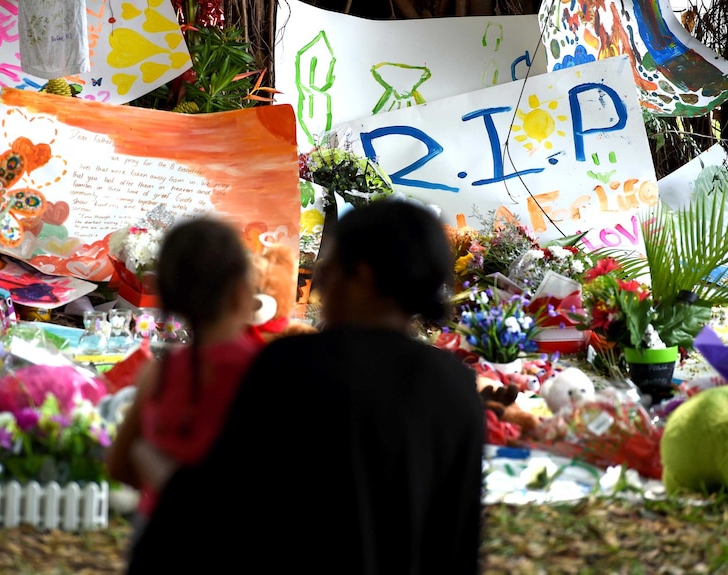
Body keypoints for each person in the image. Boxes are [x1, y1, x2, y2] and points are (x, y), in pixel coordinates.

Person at [127, 200, 485, 574]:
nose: (320, 278)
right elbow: (458, 540)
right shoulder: (456, 386)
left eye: (329, 262)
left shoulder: (291, 364)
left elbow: (225, 503)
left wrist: (146, 456)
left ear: (360, 277)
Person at [106, 218, 264, 543]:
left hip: (159, 536)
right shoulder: (264, 371)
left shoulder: (158, 374)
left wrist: (150, 464)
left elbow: (118, 465)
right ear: (241, 292)